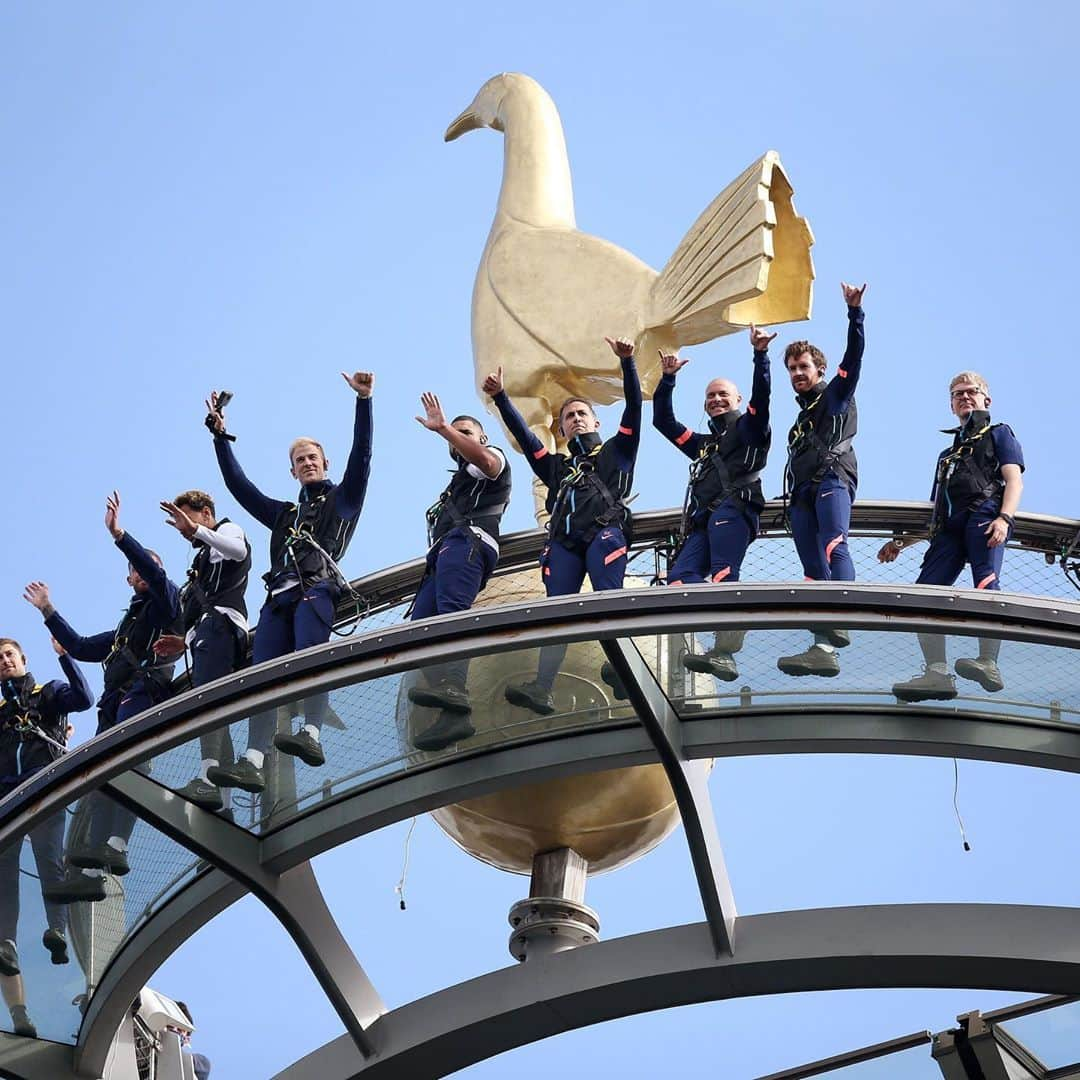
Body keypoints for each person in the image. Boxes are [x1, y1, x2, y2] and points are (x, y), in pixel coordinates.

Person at [204, 373, 374, 795]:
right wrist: (221, 438)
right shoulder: (283, 514)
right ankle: (253, 760)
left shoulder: (342, 501)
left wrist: (364, 401)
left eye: (313, 456)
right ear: (293, 470)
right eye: (300, 460)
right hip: (278, 598)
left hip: (316, 588)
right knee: (263, 677)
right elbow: (239, 488)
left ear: (325, 462)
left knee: (308, 657)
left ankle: (311, 733)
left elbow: (362, 459)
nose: (308, 463)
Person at [25, 492, 182, 904]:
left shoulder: (165, 602)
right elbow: (78, 645)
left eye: (146, 567)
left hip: (144, 692)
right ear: (129, 579)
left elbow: (155, 572)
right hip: (114, 702)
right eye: (135, 570)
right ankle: (96, 857)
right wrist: (48, 611)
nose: (142, 573)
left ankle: (115, 843)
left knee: (126, 762)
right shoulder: (123, 629)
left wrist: (120, 536)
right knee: (102, 773)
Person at [483, 337, 640, 715]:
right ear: (563, 429)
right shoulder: (557, 468)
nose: (575, 420)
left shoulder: (617, 450)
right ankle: (542, 687)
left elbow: (635, 408)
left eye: (581, 414)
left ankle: (625, 669)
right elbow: (526, 439)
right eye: (568, 417)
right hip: (566, 544)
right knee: (558, 612)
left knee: (608, 598)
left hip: (604, 533)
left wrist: (628, 363)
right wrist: (502, 398)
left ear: (595, 420)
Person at [883, 371, 1024, 701]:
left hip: (985, 515)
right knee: (924, 594)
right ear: (950, 405)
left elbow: (1014, 480)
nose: (964, 397)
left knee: (986, 583)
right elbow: (935, 511)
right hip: (949, 529)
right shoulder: (947, 456)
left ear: (986, 399)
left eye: (971, 392)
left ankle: (988, 661)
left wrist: (1004, 518)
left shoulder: (999, 433)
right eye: (957, 394)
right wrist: (902, 543)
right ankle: (937, 673)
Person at [652, 325, 773, 682]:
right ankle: (734, 616)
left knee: (723, 575)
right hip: (703, 520)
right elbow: (663, 421)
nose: (716, 400)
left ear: (736, 400)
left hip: (735, 509)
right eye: (710, 396)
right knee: (679, 581)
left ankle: (725, 651)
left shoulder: (750, 427)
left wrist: (760, 356)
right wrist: (668, 379)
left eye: (722, 394)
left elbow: (762, 400)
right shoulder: (704, 444)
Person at [406, 393, 512, 751]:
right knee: (419, 630)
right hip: (445, 553)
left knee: (452, 615)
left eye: (465, 431)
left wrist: (444, 429)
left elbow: (484, 459)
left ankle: (453, 686)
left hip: (468, 545)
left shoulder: (490, 458)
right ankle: (453, 714)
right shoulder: (457, 484)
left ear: (480, 437)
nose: (457, 435)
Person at [776, 282, 867, 677]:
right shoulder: (800, 419)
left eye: (803, 367)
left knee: (834, 546)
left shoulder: (835, 395)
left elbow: (855, 356)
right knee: (813, 570)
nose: (798, 373)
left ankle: (842, 616)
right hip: (801, 495)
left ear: (820, 370)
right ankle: (822, 647)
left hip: (832, 479)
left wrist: (854, 313)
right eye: (793, 368)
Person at [152, 491, 252, 812]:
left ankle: (208, 777)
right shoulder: (203, 555)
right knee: (209, 707)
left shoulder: (226, 530)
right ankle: (222, 801)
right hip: (203, 636)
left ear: (205, 513)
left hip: (219, 626)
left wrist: (197, 531)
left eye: (186, 520)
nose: (182, 529)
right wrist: (183, 642)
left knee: (207, 702)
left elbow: (238, 551)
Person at [0, 636, 92, 979]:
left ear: (22, 658)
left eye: (9, 655)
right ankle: (6, 942)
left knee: (49, 861)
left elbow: (83, 698)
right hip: (7, 796)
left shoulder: (46, 693)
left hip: (42, 784)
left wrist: (66, 657)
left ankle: (58, 931)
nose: (5, 661)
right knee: (3, 872)